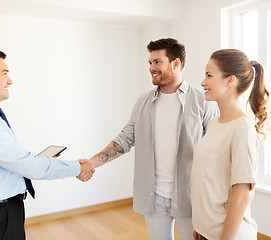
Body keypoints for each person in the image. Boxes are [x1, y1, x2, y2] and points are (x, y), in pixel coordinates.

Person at [85, 38, 218, 240]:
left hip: (190, 198)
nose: (151, 68)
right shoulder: (143, 103)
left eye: (157, 62)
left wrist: (210, 207)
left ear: (176, 64)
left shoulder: (203, 102)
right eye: (150, 63)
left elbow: (215, 155)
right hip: (153, 197)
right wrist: (90, 163)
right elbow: (124, 140)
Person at [0, 47, 94, 240]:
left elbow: (13, 162)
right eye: (4, 73)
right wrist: (76, 168)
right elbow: (28, 166)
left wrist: (40, 161)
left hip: (1, 212)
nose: (10, 80)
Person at [191, 49, 270, 240]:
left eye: (209, 75)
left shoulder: (242, 127)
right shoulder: (214, 123)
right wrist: (201, 225)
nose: (203, 82)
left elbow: (241, 195)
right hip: (207, 231)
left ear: (230, 80)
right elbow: (208, 178)